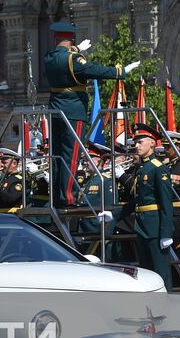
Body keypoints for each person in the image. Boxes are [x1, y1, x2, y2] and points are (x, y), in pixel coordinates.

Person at [43, 21, 137, 205]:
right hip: (73, 111)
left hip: (54, 111)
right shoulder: (74, 60)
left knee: (56, 156)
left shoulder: (49, 57)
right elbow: (94, 70)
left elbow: (63, 57)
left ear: (56, 38)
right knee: (71, 155)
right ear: (71, 39)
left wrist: (76, 48)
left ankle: (56, 195)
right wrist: (120, 71)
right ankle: (68, 197)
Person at [119, 124, 175, 290]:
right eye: (135, 142)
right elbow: (138, 200)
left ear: (151, 143)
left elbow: (166, 202)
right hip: (142, 226)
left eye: (140, 142)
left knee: (160, 271)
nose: (136, 146)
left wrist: (166, 232)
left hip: (155, 228)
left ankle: (166, 307)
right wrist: (116, 214)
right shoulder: (142, 168)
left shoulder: (158, 168)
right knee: (146, 272)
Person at [0, 148, 25, 214]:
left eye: (4, 163)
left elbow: (10, 199)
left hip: (12, 216)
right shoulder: (2, 179)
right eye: (2, 162)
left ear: (14, 164)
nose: (2, 165)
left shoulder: (18, 180)